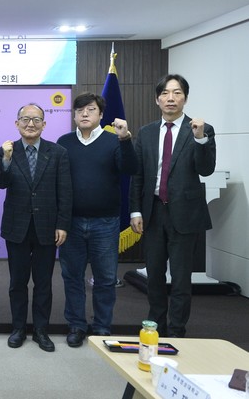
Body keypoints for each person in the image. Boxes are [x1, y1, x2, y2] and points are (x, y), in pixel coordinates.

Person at [130, 74, 216, 338]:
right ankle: (156, 325)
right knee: (155, 275)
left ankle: (177, 330)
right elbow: (138, 175)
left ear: (185, 98)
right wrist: (135, 210)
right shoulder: (146, 132)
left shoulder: (201, 129)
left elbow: (206, 169)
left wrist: (200, 139)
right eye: (165, 93)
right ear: (157, 99)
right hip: (153, 212)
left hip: (184, 214)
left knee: (180, 278)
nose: (171, 98)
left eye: (177, 93)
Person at [56, 92, 137, 347]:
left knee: (105, 279)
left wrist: (125, 139)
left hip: (106, 222)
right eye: (80, 110)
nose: (84, 114)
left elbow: (130, 169)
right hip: (71, 223)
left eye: (90, 109)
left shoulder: (114, 140)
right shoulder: (64, 142)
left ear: (101, 114)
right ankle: (76, 325)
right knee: (72, 277)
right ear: (74, 115)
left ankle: (102, 326)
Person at [0, 103, 72, 352]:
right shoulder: (6, 150)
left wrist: (62, 224)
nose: (30, 124)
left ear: (44, 124)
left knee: (43, 283)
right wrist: (5, 160)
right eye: (25, 119)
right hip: (16, 226)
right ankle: (18, 328)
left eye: (36, 120)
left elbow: (65, 192)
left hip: (47, 226)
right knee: (17, 282)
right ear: (16, 123)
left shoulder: (57, 152)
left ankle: (41, 330)